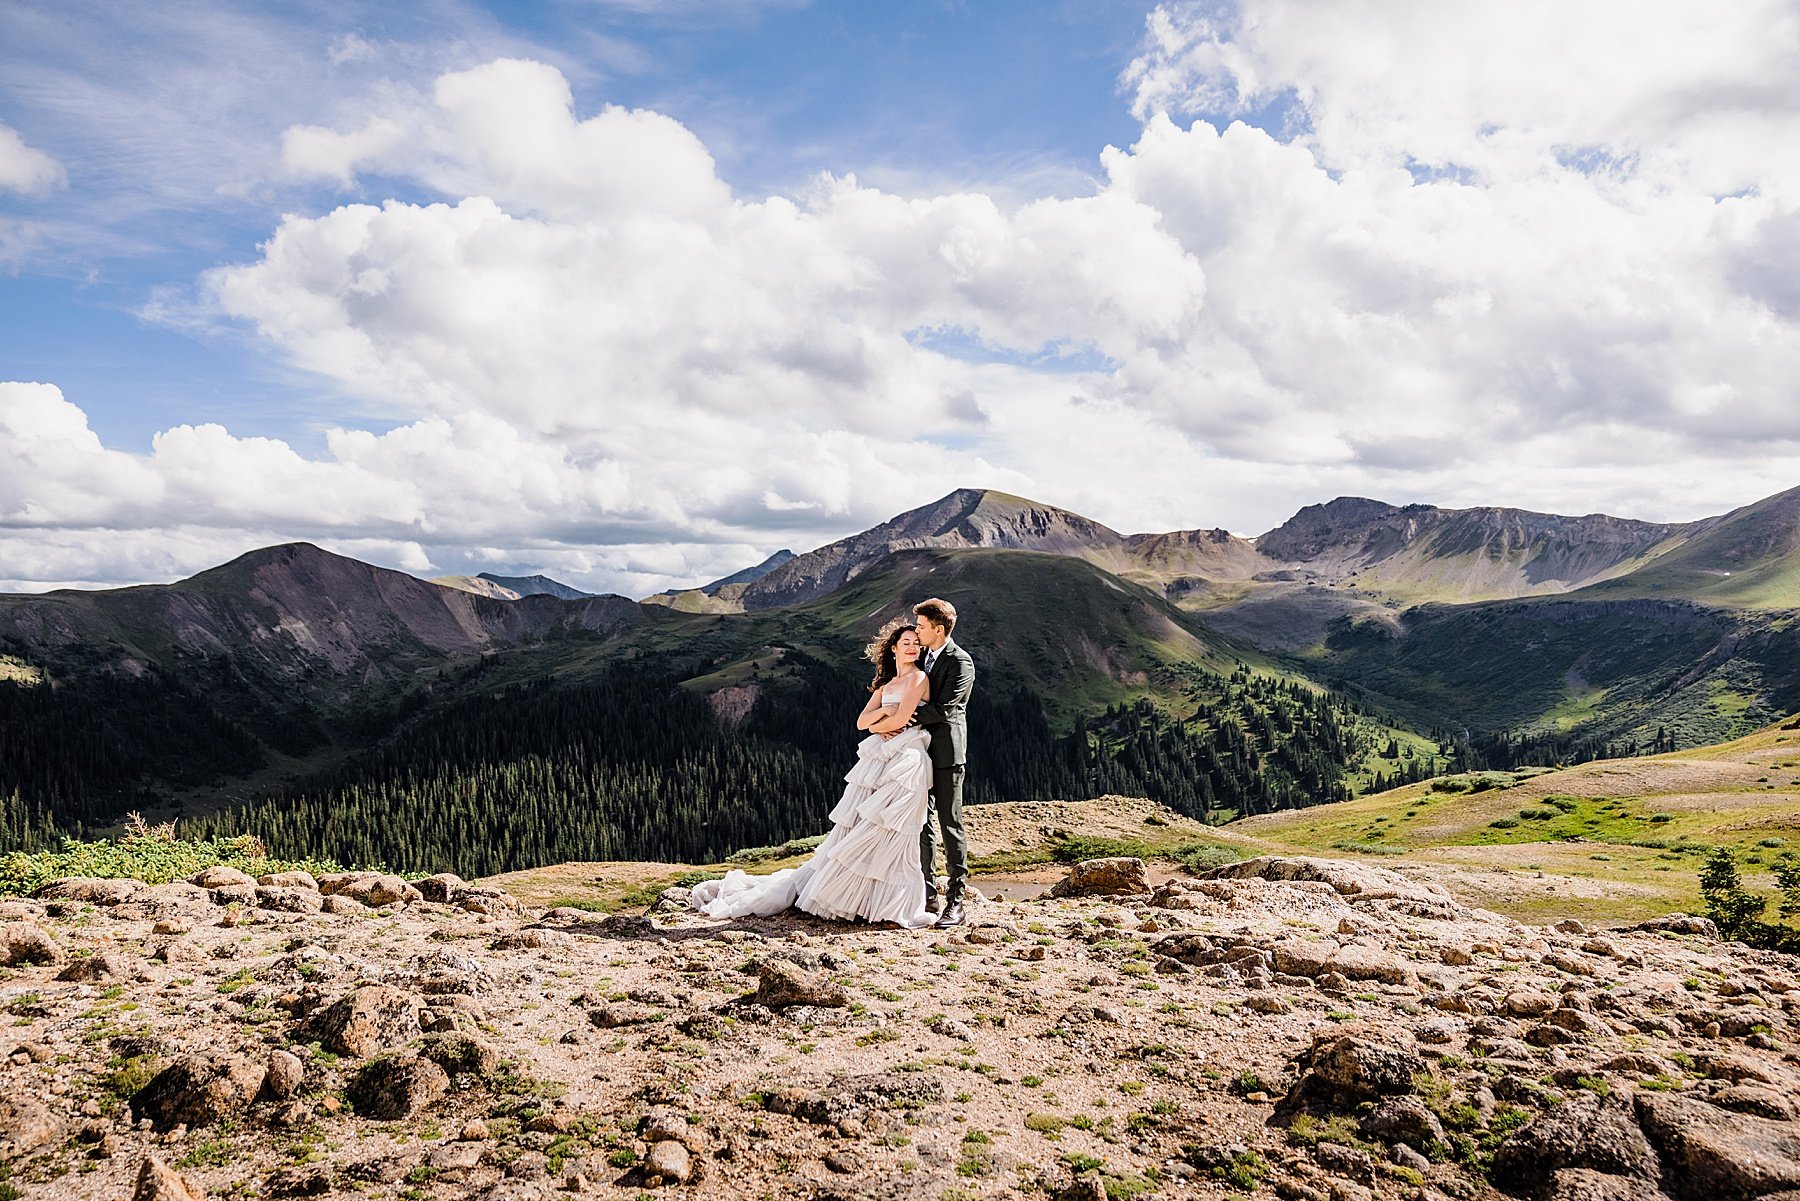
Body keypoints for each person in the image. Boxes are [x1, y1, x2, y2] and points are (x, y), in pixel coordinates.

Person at [686, 619, 936, 928]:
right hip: (880, 758)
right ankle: (860, 899)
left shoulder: (918, 678)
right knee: (862, 826)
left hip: (905, 760)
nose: (913, 647)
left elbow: (899, 721)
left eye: (916, 643)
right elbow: (862, 722)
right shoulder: (886, 684)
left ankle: (886, 903)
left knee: (891, 831)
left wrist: (881, 720)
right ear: (894, 647)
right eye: (907, 642)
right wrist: (880, 718)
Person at [903, 597, 975, 928]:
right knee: (921, 823)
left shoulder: (961, 662)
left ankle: (956, 902)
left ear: (938, 629)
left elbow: (941, 709)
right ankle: (928, 895)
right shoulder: (922, 658)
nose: (916, 632)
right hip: (918, 753)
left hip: (946, 753)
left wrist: (897, 716)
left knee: (950, 824)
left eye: (920, 626)